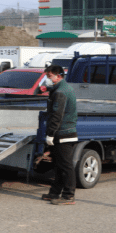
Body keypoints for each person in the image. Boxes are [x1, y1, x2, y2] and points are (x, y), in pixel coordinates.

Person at [40, 65, 78, 205]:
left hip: (63, 133)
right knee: (58, 166)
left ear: (59, 75)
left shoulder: (61, 92)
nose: (48, 79)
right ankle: (54, 193)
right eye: (47, 76)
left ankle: (68, 196)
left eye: (49, 76)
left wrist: (51, 133)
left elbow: (57, 115)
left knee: (66, 167)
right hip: (63, 132)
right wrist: (46, 88)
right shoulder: (62, 88)